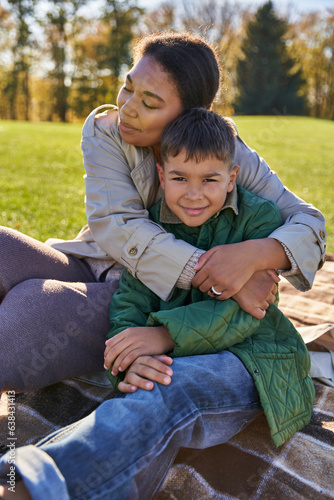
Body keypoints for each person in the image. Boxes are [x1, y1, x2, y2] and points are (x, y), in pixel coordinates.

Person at [0, 109, 314, 500]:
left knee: (165, 390)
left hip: (251, 359)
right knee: (142, 388)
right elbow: (130, 301)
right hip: (181, 353)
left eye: (210, 180)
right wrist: (127, 359)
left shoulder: (257, 220)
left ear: (231, 178)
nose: (194, 193)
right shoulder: (152, 224)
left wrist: (163, 335)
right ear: (163, 176)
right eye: (180, 178)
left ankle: (31, 488)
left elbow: (245, 315)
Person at [0, 31, 325, 394]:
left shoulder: (227, 152)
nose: (127, 108)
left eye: (150, 103)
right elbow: (118, 227)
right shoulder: (105, 130)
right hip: (95, 263)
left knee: (34, 306)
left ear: (190, 116)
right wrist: (223, 277)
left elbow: (310, 223)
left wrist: (254, 256)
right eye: (128, 87)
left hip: (152, 299)